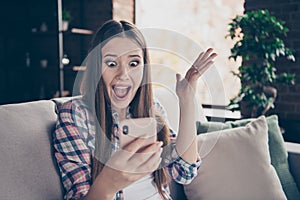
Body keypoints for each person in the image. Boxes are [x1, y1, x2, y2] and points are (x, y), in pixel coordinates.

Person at [53, 19, 217, 200]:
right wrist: (108, 183)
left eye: (133, 64)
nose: (123, 74)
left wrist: (186, 99)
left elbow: (184, 171)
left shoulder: (151, 109)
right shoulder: (75, 115)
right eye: (111, 63)